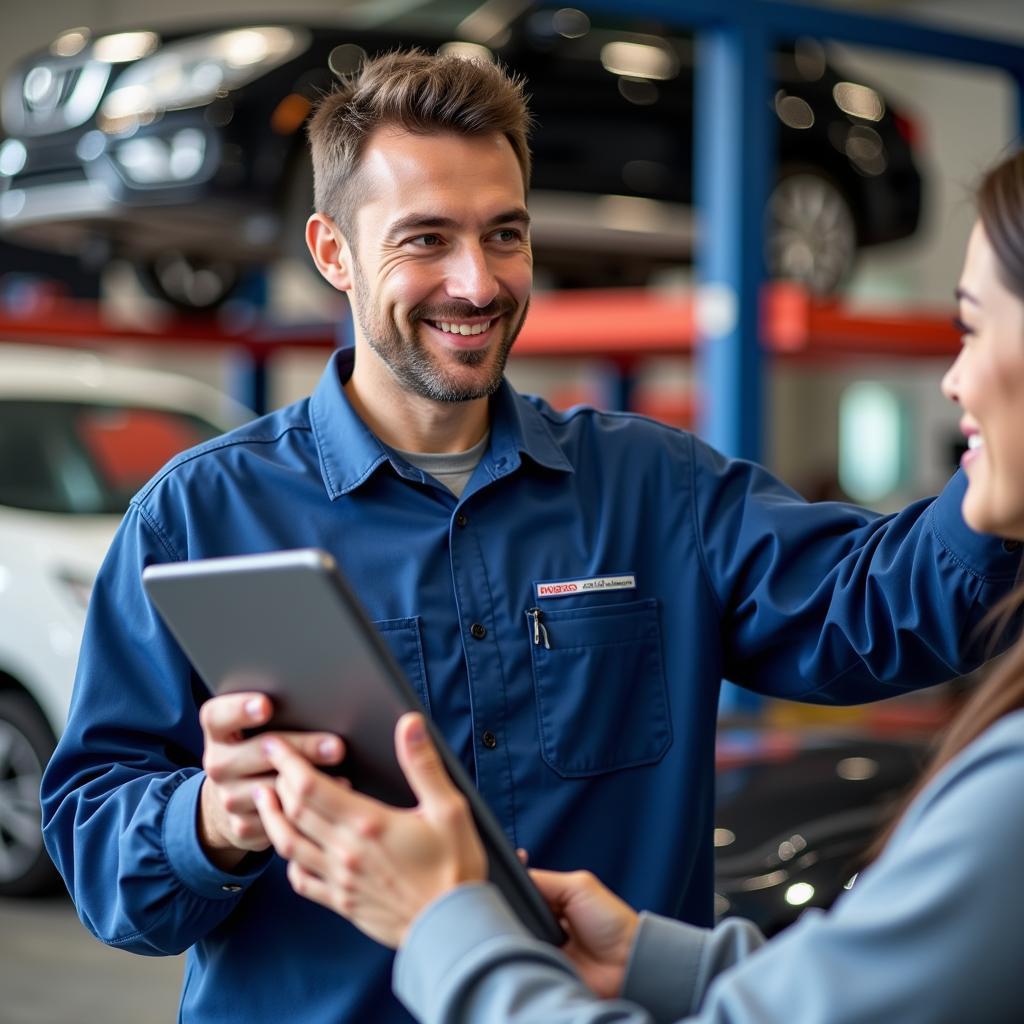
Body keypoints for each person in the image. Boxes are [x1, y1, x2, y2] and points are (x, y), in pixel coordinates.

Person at [40, 52, 1020, 1024]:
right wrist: (209, 820)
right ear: (332, 252)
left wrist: (996, 489)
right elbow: (98, 847)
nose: (476, 282)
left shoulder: (655, 489)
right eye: (425, 240)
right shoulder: (199, 520)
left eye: (502, 234)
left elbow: (881, 612)